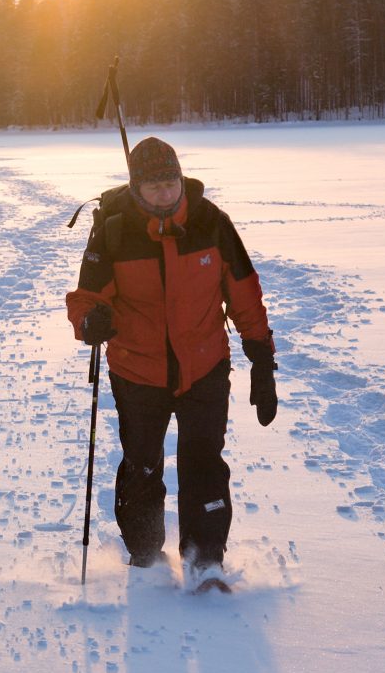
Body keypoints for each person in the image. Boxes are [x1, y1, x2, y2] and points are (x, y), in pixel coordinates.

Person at [66, 136, 279, 591]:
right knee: (142, 464)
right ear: (136, 188)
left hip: (204, 366)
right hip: (137, 370)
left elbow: (244, 291)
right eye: (153, 186)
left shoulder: (210, 223)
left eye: (171, 182)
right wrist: (91, 321)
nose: (164, 193)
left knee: (204, 462)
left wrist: (262, 358)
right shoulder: (115, 228)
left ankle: (205, 560)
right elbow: (86, 297)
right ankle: (146, 557)